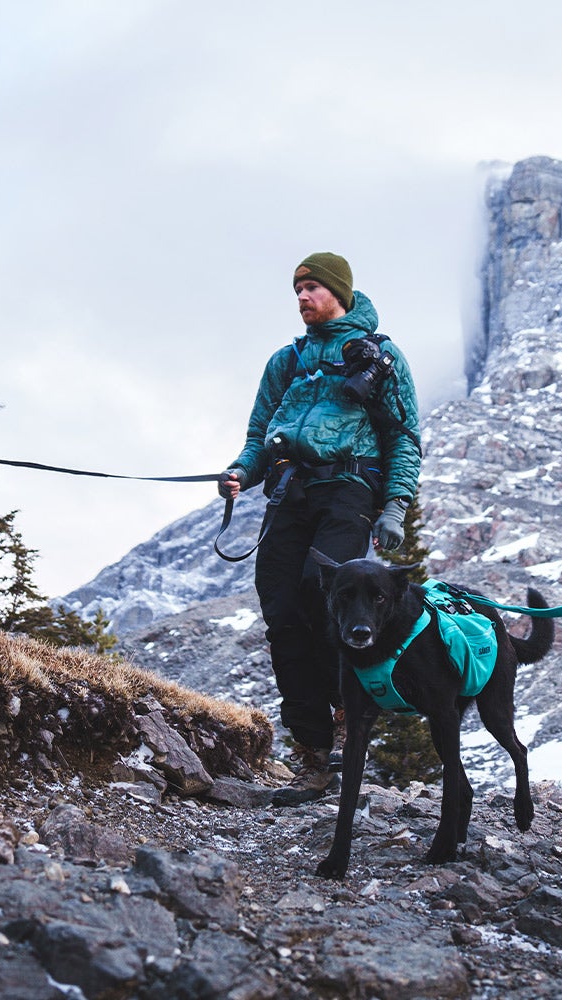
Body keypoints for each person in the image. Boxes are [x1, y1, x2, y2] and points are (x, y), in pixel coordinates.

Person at [221, 252, 422, 805]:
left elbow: (404, 437)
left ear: (339, 291)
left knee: (323, 588)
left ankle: (345, 717)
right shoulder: (285, 361)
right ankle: (311, 753)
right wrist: (242, 470)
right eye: (297, 290)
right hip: (289, 491)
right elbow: (260, 432)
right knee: (281, 609)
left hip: (350, 491)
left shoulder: (379, 357)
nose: (302, 297)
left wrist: (394, 508)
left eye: (311, 287)